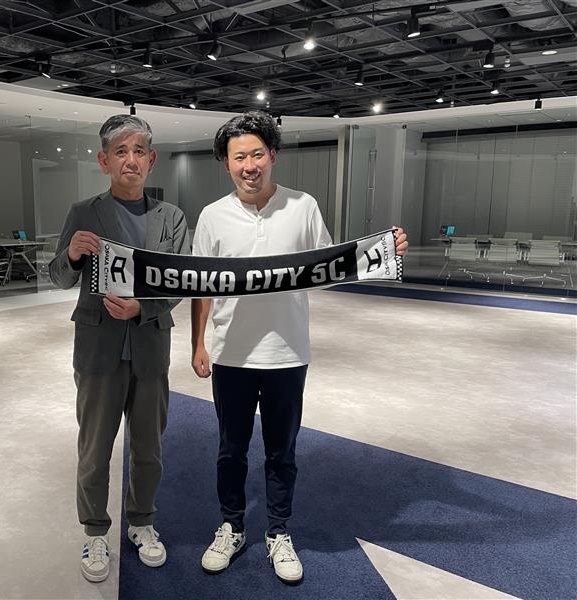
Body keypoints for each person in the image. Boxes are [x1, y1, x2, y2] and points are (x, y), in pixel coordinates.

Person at [190, 111, 408, 583]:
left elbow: (328, 269)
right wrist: (198, 344)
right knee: (230, 450)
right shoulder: (211, 216)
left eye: (256, 154)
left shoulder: (303, 206)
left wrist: (382, 254)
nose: (249, 165)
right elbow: (200, 285)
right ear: (226, 163)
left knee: (282, 452)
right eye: (238, 157)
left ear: (272, 155)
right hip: (231, 353)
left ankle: (278, 531)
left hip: (287, 353)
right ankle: (232, 526)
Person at [49, 115, 190, 583]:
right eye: (121, 151)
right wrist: (71, 254)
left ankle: (141, 522)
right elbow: (58, 277)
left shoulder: (171, 218)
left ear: (152, 159)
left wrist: (143, 308)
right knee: (94, 449)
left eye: (139, 151)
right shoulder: (83, 212)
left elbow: (180, 282)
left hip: (150, 348)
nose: (131, 160)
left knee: (148, 448)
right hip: (98, 350)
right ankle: (95, 531)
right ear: (103, 160)